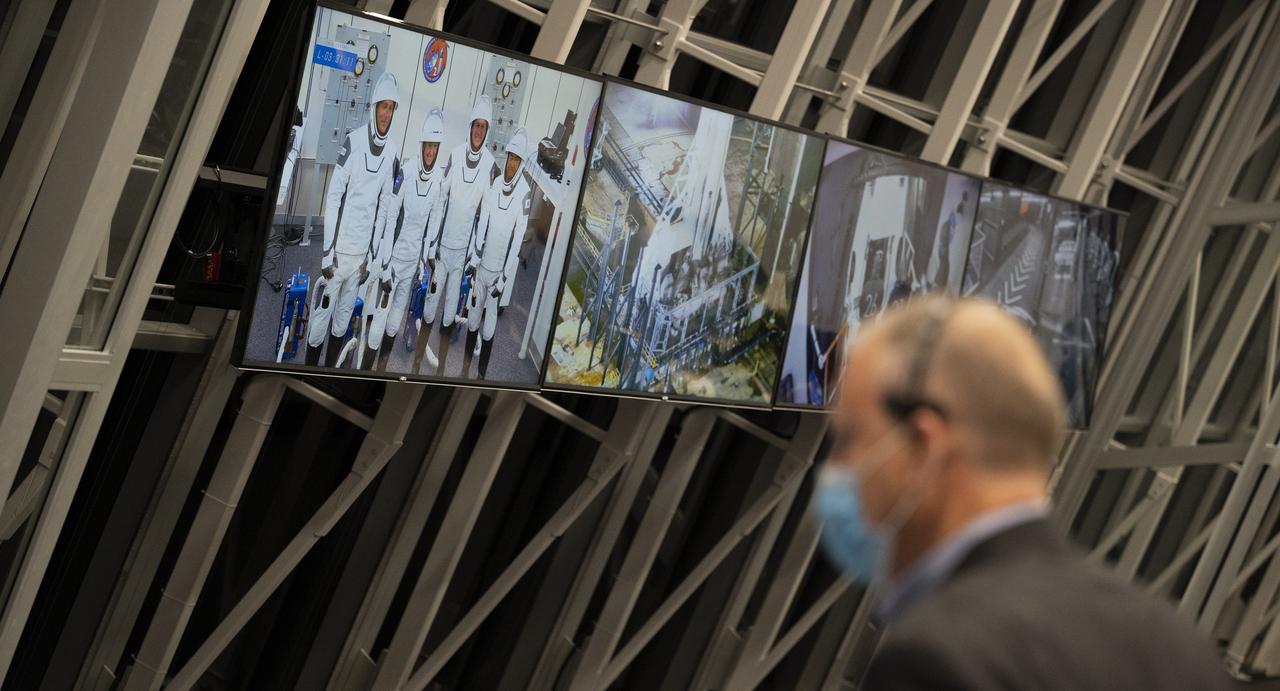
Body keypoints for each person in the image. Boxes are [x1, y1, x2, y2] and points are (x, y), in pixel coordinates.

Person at [813, 295, 1232, 691]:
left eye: (850, 439)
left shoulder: (935, 660)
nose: (837, 469)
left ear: (926, 445)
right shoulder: (1173, 642)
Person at [305, 72, 401, 367]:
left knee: (342, 321)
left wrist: (373, 255)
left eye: (391, 107)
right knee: (321, 318)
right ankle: (307, 372)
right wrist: (327, 252)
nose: (386, 113)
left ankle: (330, 374)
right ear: (373, 108)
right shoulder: (353, 141)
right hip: (338, 256)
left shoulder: (393, 152)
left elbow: (385, 207)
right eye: (382, 106)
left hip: (361, 258)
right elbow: (333, 198)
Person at [366, 106, 447, 373]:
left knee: (394, 322)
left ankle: (381, 371)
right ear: (422, 144)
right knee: (379, 322)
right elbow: (390, 216)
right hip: (393, 261)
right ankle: (364, 371)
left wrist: (427, 258)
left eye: (435, 147)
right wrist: (386, 263)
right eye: (428, 146)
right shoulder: (406, 171)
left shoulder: (437, 182)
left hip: (412, 263)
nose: (430, 152)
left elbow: (433, 222)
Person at [426, 94, 496, 376]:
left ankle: (442, 367)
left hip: (462, 256)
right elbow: (441, 200)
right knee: (430, 305)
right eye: (475, 125)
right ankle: (418, 359)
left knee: (449, 311)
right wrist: (431, 243)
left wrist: (476, 253)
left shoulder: (491, 165)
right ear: (470, 127)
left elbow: (488, 214)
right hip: (442, 248)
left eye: (483, 126)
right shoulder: (454, 155)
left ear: (487, 130)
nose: (478, 131)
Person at [463, 127, 531, 377]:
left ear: (522, 163)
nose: (512, 163)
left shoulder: (524, 193)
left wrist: (504, 278)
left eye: (517, 160)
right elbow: (484, 221)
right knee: (472, 319)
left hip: (498, 274)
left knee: (489, 328)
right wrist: (475, 254)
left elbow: (517, 240)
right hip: (482, 266)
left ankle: (481, 373)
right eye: (510, 157)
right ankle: (464, 367)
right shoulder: (495, 181)